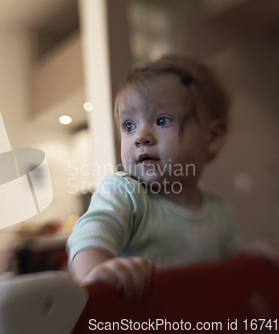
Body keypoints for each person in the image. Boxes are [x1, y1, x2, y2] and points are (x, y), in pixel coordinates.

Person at [67, 55, 238, 299]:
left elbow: (237, 275)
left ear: (212, 137)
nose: (140, 136)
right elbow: (88, 240)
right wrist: (98, 271)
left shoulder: (220, 213)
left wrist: (258, 257)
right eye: (129, 126)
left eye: (162, 120)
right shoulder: (124, 194)